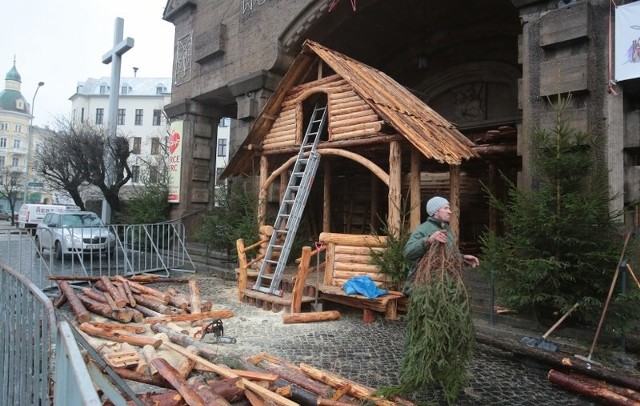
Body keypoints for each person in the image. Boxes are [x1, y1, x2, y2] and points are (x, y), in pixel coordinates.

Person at [402, 196, 479, 295]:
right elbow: (408, 253)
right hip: (423, 288)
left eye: (449, 208)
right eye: (446, 208)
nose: (450, 211)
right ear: (435, 212)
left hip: (443, 286)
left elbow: (447, 255)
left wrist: (463, 258)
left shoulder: (448, 229)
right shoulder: (423, 229)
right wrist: (429, 240)